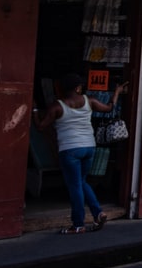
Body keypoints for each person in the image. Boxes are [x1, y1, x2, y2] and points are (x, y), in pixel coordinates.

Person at [34, 73, 125, 234]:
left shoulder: (57, 106)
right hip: (89, 147)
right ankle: (98, 213)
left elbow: (41, 126)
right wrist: (116, 92)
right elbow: (109, 108)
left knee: (75, 186)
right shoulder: (89, 101)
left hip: (70, 149)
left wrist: (34, 110)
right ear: (77, 88)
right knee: (82, 182)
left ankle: (78, 224)